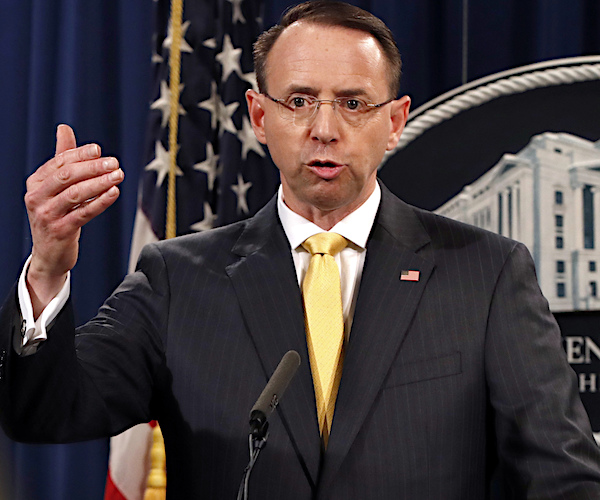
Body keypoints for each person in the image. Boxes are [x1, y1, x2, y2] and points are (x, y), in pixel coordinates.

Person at [1, 1, 600, 498]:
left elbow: (562, 479)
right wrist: (49, 265)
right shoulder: (175, 278)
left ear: (395, 121)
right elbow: (46, 415)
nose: (324, 128)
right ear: (260, 116)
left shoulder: (487, 273)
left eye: (354, 103)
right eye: (299, 100)